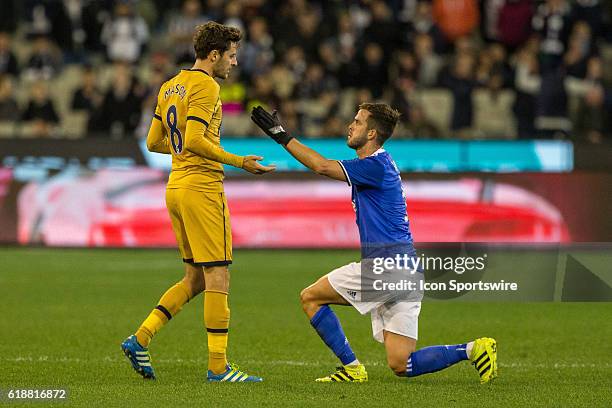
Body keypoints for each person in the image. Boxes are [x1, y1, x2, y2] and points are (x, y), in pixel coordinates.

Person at [251, 103, 497, 383]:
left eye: (357, 122)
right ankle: (473, 349)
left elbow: (320, 166)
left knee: (310, 297)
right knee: (402, 363)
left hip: (386, 267)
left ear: (371, 134)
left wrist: (280, 135)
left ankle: (352, 368)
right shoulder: (381, 164)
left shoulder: (375, 165)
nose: (350, 126)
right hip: (407, 270)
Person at [121, 21, 275, 383]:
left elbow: (153, 142)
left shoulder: (170, 85)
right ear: (215, 54)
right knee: (218, 273)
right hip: (202, 189)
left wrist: (183, 147)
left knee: (195, 278)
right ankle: (219, 368)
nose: (234, 64)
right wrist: (240, 162)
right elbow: (193, 139)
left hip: (175, 187)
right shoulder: (206, 85)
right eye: (232, 56)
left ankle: (139, 338)